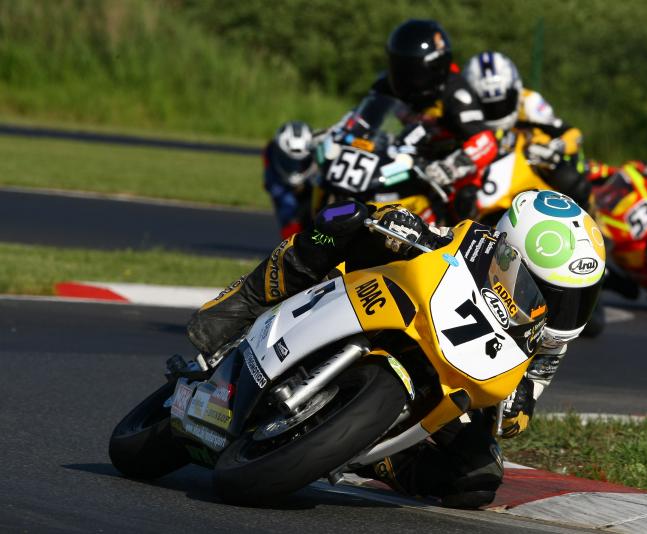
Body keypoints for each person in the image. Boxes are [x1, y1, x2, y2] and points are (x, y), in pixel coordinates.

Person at [187, 189, 605, 509]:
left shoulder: (546, 339)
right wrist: (397, 224)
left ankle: (378, 457)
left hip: (450, 380)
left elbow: (528, 395)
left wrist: (517, 407)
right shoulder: (472, 243)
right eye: (551, 294)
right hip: (394, 301)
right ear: (509, 254)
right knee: (346, 216)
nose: (561, 312)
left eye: (578, 299)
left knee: (478, 479)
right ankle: (244, 301)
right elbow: (420, 230)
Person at [370, 19, 499, 220]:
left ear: (434, 68)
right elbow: (366, 115)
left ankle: (453, 236)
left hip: (443, 164)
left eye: (413, 70)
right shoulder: (388, 83)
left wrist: (450, 167)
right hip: (401, 157)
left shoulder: (456, 92)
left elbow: (486, 141)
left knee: (464, 201)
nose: (404, 76)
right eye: (399, 66)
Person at [463, 51, 592, 210]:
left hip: (533, 159)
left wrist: (553, 148)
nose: (497, 111)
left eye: (503, 102)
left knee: (568, 175)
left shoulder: (529, 102)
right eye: (487, 106)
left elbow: (574, 135)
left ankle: (585, 208)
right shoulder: (463, 112)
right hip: (496, 171)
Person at [263, 121, 317, 238]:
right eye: (288, 161)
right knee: (287, 210)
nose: (294, 167)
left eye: (301, 161)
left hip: (311, 183)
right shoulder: (270, 151)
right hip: (281, 184)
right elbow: (269, 183)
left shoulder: (319, 150)